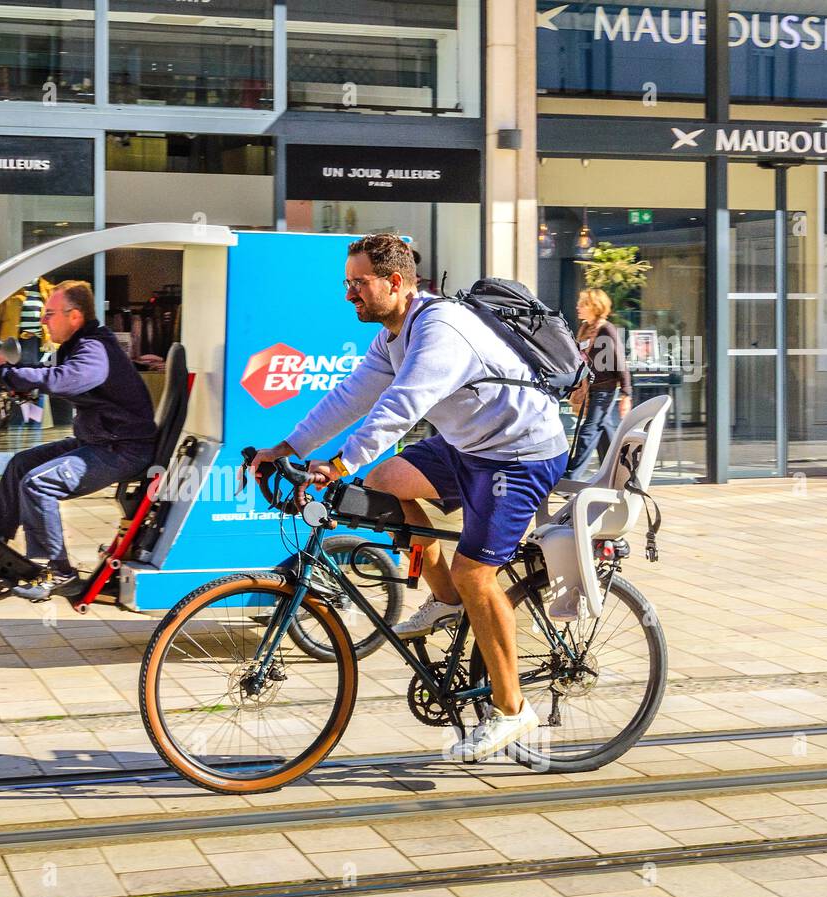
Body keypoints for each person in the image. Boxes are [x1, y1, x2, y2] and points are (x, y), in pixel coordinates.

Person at [250, 233, 569, 762]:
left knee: (477, 575)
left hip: (520, 453)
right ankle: (444, 599)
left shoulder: (439, 329)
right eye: (346, 284)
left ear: (395, 283)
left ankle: (512, 710)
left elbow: (402, 404)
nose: (349, 294)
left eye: (359, 284)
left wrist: (338, 464)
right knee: (385, 482)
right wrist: (286, 446)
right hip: (469, 446)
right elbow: (351, 397)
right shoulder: (393, 335)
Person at [0, 280, 158, 601]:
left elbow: (67, 380)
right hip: (100, 440)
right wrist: (9, 370)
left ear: (74, 316)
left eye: (49, 314)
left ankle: (59, 571)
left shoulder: (95, 349)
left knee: (38, 483)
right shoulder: (76, 345)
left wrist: (7, 373)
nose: (43, 321)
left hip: (123, 449)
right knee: (20, 464)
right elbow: (45, 369)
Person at [564, 288, 632, 480]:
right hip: (590, 389)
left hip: (605, 389)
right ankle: (616, 476)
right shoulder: (585, 329)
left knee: (589, 431)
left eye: (583, 304)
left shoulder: (606, 329)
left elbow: (620, 362)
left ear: (595, 307)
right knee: (604, 433)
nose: (578, 307)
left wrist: (627, 394)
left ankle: (570, 479)